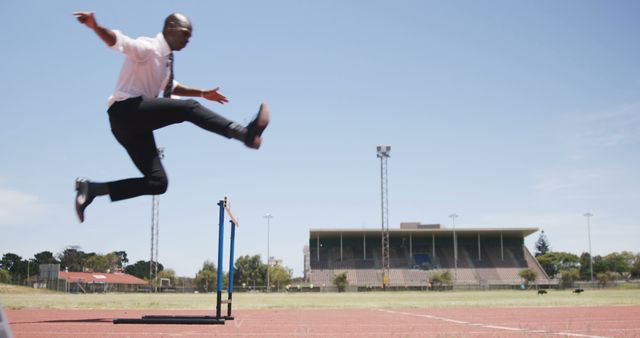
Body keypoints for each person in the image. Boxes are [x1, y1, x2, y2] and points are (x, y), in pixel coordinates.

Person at [72, 11, 269, 222]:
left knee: (158, 182)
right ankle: (244, 133)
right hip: (125, 111)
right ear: (171, 28)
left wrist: (203, 93)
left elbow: (170, 87)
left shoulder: (165, 61)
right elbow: (119, 42)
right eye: (185, 34)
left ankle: (93, 189)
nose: (187, 41)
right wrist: (96, 27)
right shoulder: (149, 48)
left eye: (190, 37)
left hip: (132, 127)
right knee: (188, 108)